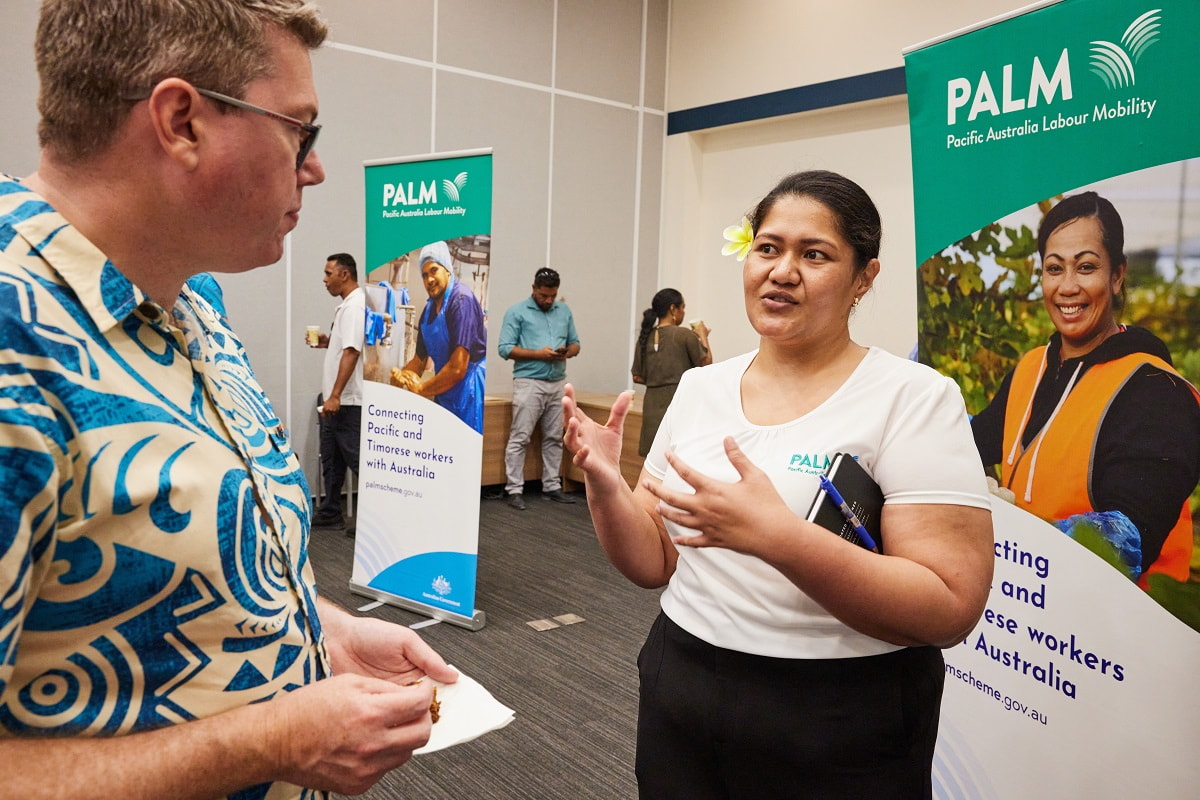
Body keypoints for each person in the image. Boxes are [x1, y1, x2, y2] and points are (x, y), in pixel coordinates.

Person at [0, 2, 456, 798]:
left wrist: (323, 630)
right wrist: (268, 743)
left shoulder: (190, 302)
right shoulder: (16, 341)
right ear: (182, 122)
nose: (313, 169)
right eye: (300, 131)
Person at [563, 170, 993, 798]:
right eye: (768, 248)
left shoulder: (914, 397)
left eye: (813, 254)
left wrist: (776, 536)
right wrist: (604, 485)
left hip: (841, 714)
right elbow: (653, 559)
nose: (782, 270)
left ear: (864, 278)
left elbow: (949, 609)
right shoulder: (701, 388)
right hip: (683, 679)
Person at [971, 191, 1200, 587]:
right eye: (1054, 268)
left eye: (1087, 267)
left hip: (1120, 634)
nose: (1068, 287)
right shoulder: (1032, 368)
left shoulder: (1158, 392)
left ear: (1117, 275)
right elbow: (972, 441)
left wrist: (1011, 536)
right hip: (1029, 615)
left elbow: (1128, 539)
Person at [498, 267, 581, 510]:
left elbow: (576, 343)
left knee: (555, 437)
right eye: (544, 295)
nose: (548, 300)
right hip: (528, 383)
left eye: (552, 296)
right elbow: (504, 348)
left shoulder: (564, 311)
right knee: (520, 437)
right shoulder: (516, 312)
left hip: (557, 382)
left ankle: (552, 486)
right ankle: (513, 489)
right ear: (534, 289)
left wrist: (567, 352)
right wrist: (538, 354)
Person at [390, 240, 487, 433]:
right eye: (424, 275)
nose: (429, 280)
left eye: (434, 270)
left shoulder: (461, 301)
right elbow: (419, 361)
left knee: (464, 451)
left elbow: (459, 368)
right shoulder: (428, 311)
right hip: (444, 389)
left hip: (468, 391)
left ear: (448, 270)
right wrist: (400, 378)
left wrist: (422, 389)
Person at [311, 252, 365, 529]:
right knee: (332, 459)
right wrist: (328, 342)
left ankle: (374, 520)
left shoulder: (355, 306)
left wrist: (335, 396)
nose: (324, 279)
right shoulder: (346, 307)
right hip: (337, 401)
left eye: (328, 273)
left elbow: (353, 351)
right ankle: (331, 512)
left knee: (357, 459)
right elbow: (345, 345)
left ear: (344, 274)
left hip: (346, 401)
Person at [631, 288, 712, 456]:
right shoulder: (683, 334)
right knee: (678, 457)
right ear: (673, 309)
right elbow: (706, 363)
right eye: (682, 307)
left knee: (654, 460)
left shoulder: (644, 337)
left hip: (651, 407)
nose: (684, 312)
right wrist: (703, 336)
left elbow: (637, 376)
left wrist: (658, 380)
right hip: (679, 403)